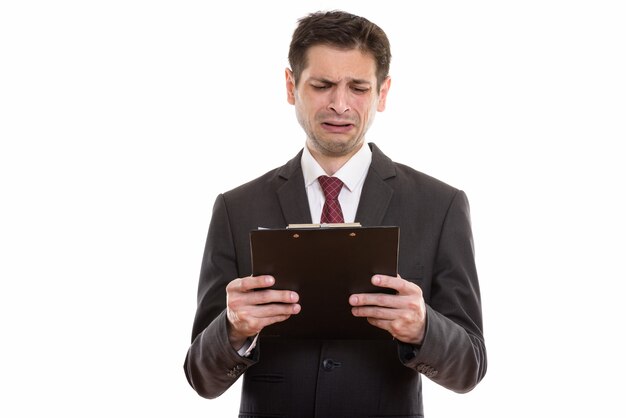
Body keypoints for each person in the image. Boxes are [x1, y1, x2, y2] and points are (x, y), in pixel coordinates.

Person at [184, 10, 487, 417]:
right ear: (292, 86)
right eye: (322, 85)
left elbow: (470, 367)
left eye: (358, 87)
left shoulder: (440, 205)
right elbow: (201, 379)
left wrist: (423, 328)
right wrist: (234, 329)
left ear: (383, 92)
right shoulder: (236, 208)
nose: (339, 104)